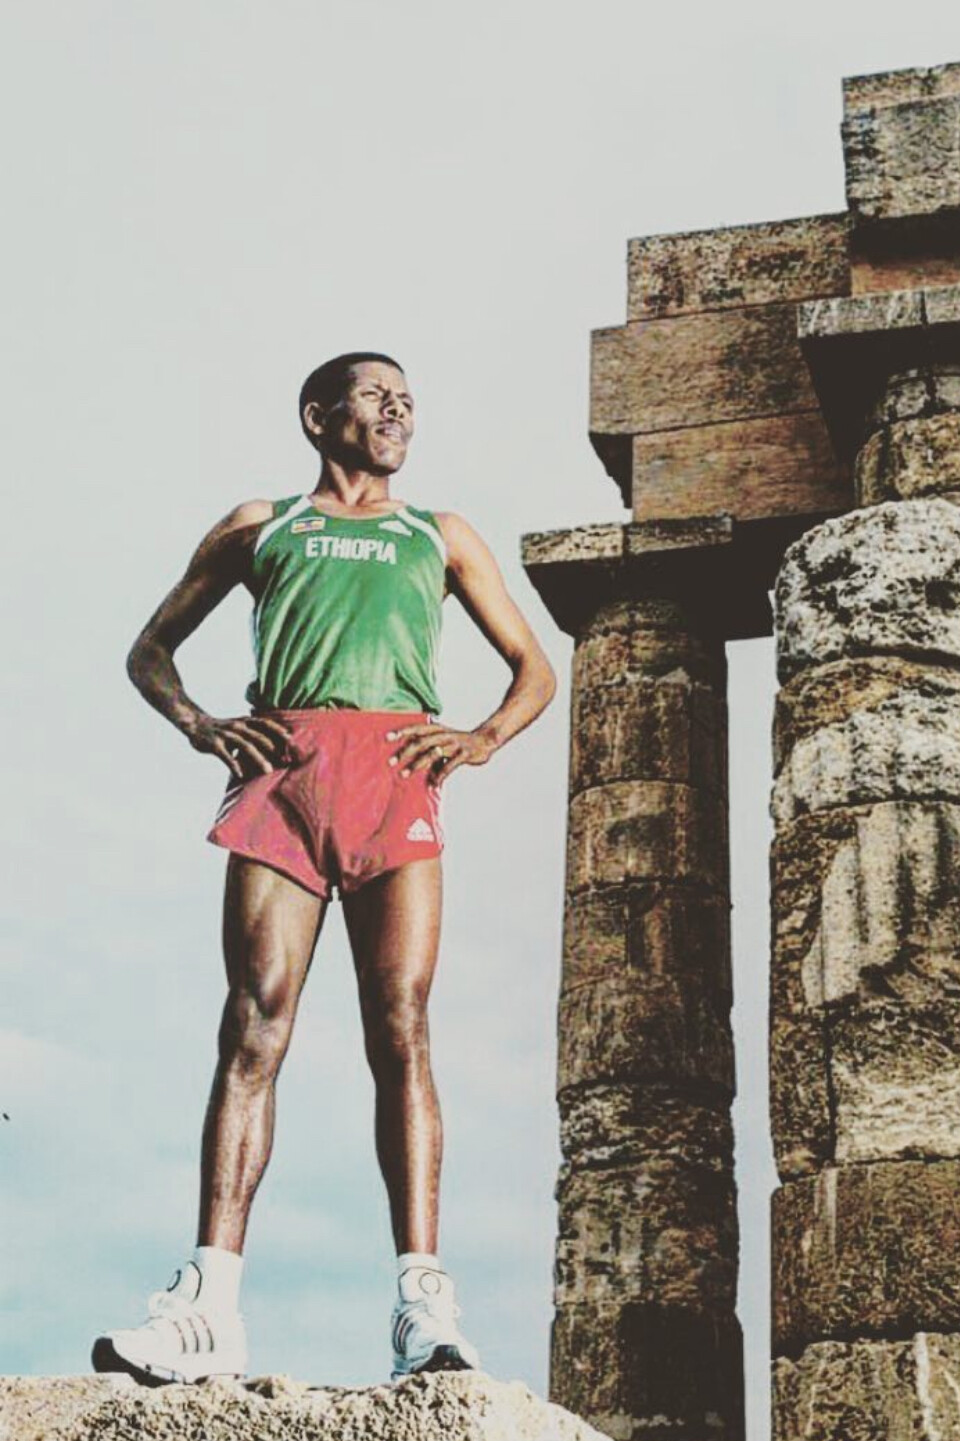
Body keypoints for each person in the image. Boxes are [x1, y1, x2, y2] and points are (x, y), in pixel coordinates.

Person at [92, 352, 557, 1385]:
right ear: (317, 416)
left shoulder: (438, 532)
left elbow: (536, 669)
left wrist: (479, 738)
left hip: (393, 772)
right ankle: (208, 1304)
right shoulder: (263, 526)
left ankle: (423, 1303)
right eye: (376, 394)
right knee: (254, 1020)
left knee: (401, 1024)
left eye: (409, 400)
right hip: (284, 774)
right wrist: (201, 724)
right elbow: (150, 649)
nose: (398, 409)